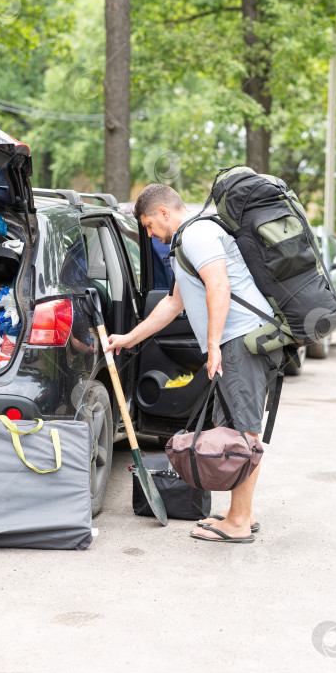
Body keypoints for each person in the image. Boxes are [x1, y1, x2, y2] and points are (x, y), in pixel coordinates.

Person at [105, 184, 282, 544]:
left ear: (164, 213)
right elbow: (173, 305)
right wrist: (128, 338)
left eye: (149, 225)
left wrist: (214, 344)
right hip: (239, 341)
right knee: (231, 428)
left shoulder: (197, 234)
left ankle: (240, 522)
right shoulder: (187, 239)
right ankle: (239, 512)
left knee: (242, 435)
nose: (150, 234)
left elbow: (219, 286)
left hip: (240, 341)